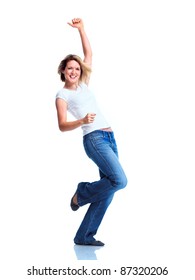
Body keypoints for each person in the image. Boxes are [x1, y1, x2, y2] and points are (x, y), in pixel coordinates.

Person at [55, 18, 127, 246]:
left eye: (77, 68)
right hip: (94, 139)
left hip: (109, 137)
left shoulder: (84, 84)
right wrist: (82, 120)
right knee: (119, 180)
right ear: (63, 72)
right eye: (70, 69)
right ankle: (82, 193)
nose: (74, 71)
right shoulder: (62, 95)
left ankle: (84, 236)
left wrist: (82, 29)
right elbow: (62, 125)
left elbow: (89, 54)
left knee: (108, 190)